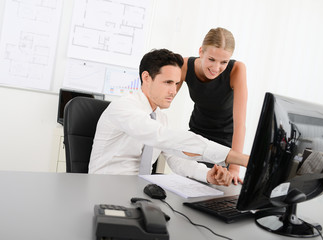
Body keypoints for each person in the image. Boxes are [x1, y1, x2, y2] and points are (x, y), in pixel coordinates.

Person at [89, 48, 249, 186]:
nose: (173, 91)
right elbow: (162, 136)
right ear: (146, 78)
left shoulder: (160, 118)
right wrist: (237, 158)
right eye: (168, 82)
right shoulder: (123, 107)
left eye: (176, 83)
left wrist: (208, 175)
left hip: (139, 193)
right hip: (105, 189)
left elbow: (177, 159)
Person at [178, 27, 248, 185]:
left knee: (214, 191)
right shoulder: (185, 65)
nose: (216, 68)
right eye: (211, 59)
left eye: (224, 62)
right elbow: (163, 100)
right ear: (201, 51)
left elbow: (240, 125)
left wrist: (235, 169)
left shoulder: (237, 69)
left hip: (224, 144)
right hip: (196, 137)